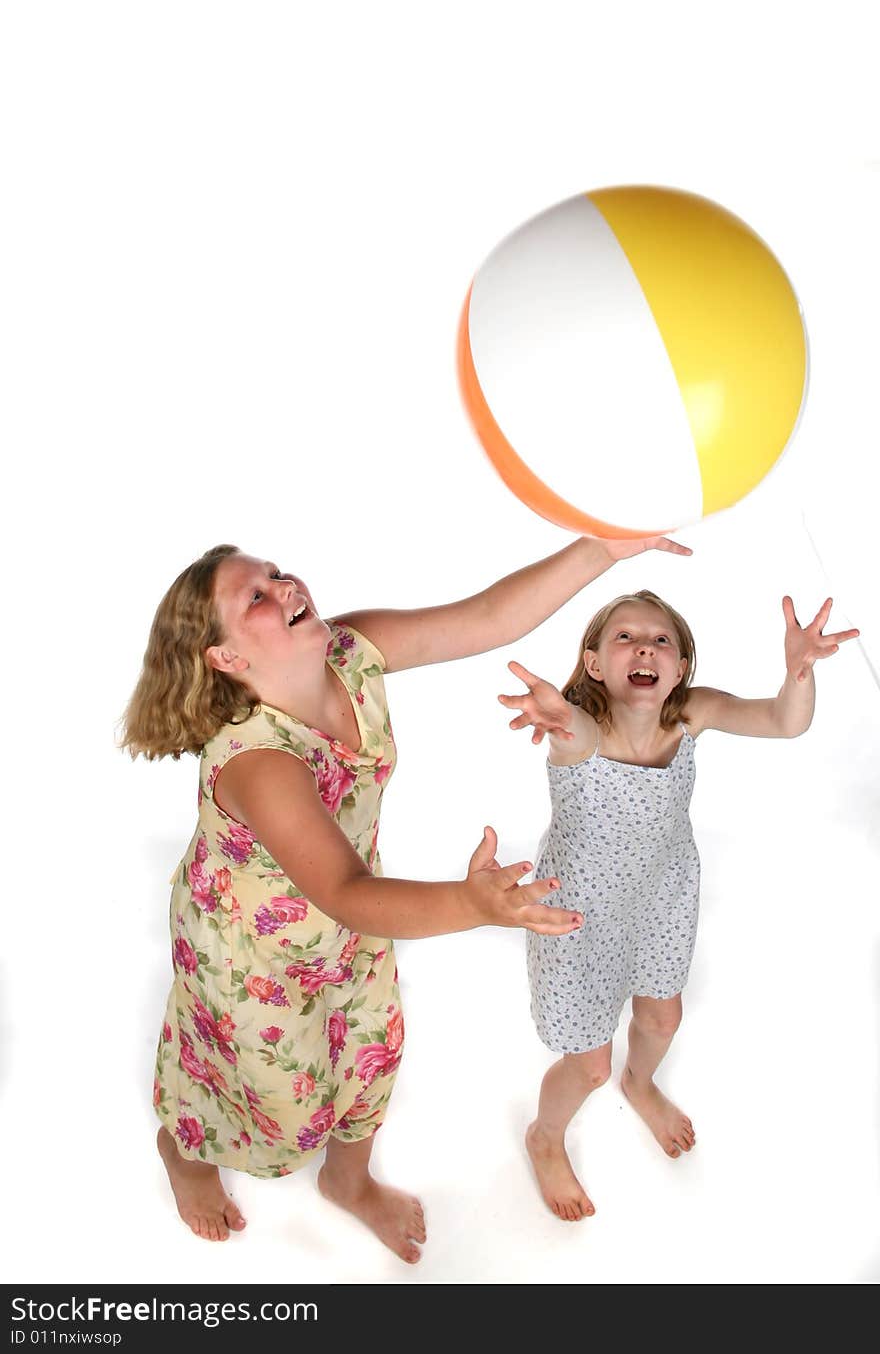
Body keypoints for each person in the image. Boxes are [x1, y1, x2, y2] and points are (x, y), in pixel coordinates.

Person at [121, 534, 689, 1262]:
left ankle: (349, 1183)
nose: (286, 585)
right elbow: (344, 891)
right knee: (270, 1099)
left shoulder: (350, 652)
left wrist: (600, 550)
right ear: (226, 659)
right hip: (253, 953)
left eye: (276, 573)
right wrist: (474, 904)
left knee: (371, 1050)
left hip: (354, 919)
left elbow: (487, 617)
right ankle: (185, 1152)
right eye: (256, 597)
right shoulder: (258, 761)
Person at [498, 589, 858, 1223]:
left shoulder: (690, 714)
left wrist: (797, 672)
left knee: (662, 1021)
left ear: (681, 667)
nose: (645, 647)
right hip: (578, 913)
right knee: (586, 1066)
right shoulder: (581, 731)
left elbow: (784, 720)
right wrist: (554, 713)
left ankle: (640, 1084)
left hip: (660, 892)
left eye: (662, 641)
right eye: (626, 638)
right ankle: (545, 1137)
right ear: (594, 665)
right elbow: (571, 729)